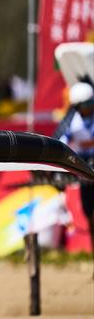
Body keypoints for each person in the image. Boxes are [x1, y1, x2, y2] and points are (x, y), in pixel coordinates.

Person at [59, 81, 94, 265]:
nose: (87, 109)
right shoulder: (72, 123)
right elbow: (63, 143)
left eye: (90, 104)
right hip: (84, 172)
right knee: (89, 215)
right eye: (83, 106)